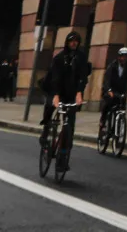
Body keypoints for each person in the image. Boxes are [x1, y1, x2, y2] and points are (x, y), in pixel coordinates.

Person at [43, 31, 92, 170]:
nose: (74, 43)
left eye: (76, 40)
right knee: (49, 108)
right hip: (56, 90)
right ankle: (45, 133)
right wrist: (56, 95)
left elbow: (83, 76)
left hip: (71, 94)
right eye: (71, 40)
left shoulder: (82, 57)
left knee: (69, 127)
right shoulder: (59, 58)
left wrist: (79, 93)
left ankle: (62, 158)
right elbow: (55, 78)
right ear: (67, 42)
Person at [102, 46, 127, 119]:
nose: (124, 59)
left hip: (122, 90)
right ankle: (103, 122)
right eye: (122, 57)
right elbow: (107, 78)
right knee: (108, 104)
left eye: (126, 57)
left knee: (122, 107)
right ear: (119, 57)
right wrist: (109, 90)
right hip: (111, 89)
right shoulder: (112, 65)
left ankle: (120, 123)